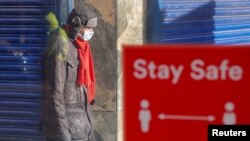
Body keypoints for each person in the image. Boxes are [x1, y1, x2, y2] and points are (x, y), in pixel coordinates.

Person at [43, 7, 97, 141]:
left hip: (84, 129)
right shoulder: (61, 45)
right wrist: (63, 135)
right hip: (68, 131)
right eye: (88, 28)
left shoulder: (83, 48)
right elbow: (55, 94)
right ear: (77, 26)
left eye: (92, 28)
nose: (91, 32)